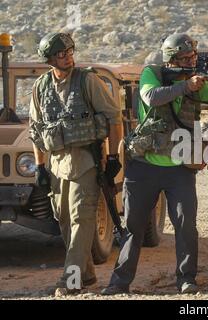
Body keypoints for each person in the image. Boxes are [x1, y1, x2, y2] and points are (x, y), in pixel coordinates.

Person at [101, 33, 208, 295]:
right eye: (186, 58)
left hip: (180, 168)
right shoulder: (153, 73)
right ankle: (119, 283)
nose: (192, 61)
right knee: (133, 228)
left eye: (194, 57)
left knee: (185, 226)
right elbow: (151, 97)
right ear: (171, 59)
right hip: (144, 164)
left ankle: (186, 279)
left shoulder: (195, 79)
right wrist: (185, 86)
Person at [29, 33, 123, 295]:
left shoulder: (87, 81)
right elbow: (35, 131)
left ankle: (70, 282)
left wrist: (114, 157)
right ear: (50, 59)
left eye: (70, 51)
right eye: (62, 54)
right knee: (65, 223)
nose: (68, 57)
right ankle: (88, 278)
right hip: (56, 163)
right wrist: (39, 167)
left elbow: (113, 118)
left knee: (81, 221)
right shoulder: (41, 86)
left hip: (86, 161)